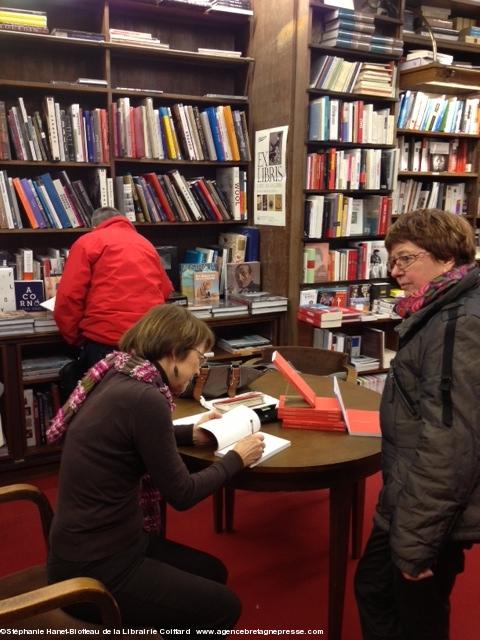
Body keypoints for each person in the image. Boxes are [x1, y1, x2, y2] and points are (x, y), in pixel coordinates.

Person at [47, 304, 265, 634]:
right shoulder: (146, 398)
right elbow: (182, 494)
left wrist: (187, 433)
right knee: (224, 608)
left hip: (92, 546)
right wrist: (237, 457)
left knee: (213, 572)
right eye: (199, 359)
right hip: (98, 566)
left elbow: (123, 431)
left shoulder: (119, 371)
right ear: (175, 352)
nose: (198, 369)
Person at [355, 208, 480, 640]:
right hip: (410, 496)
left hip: (428, 509)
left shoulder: (458, 323)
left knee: (412, 613)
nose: (396, 272)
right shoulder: (440, 309)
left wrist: (415, 541)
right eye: (392, 261)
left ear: (446, 258)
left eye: (406, 259)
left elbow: (452, 444)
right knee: (376, 589)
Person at [54, 207, 173, 370]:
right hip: (147, 338)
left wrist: (76, 339)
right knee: (144, 392)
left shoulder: (87, 242)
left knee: (104, 393)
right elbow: (166, 290)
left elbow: (68, 297)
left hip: (104, 340)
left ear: (95, 226)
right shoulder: (146, 244)